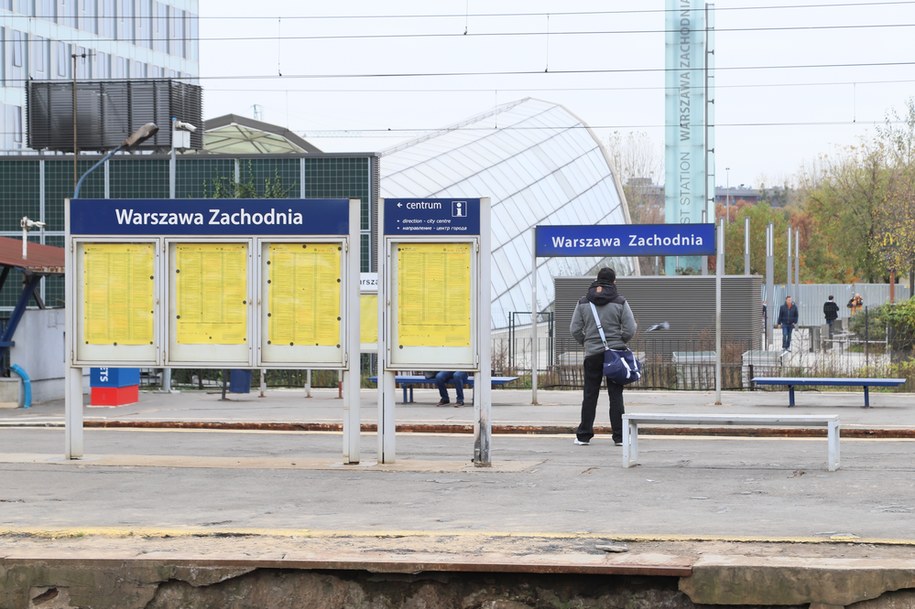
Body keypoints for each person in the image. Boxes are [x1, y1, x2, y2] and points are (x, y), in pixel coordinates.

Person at [569, 267, 637, 447]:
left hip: (592, 355)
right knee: (616, 396)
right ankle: (620, 437)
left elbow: (574, 329)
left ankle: (583, 435)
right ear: (614, 281)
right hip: (614, 355)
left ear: (597, 280)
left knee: (590, 394)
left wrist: (587, 342)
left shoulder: (583, 302)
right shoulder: (620, 302)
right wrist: (619, 341)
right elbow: (631, 328)